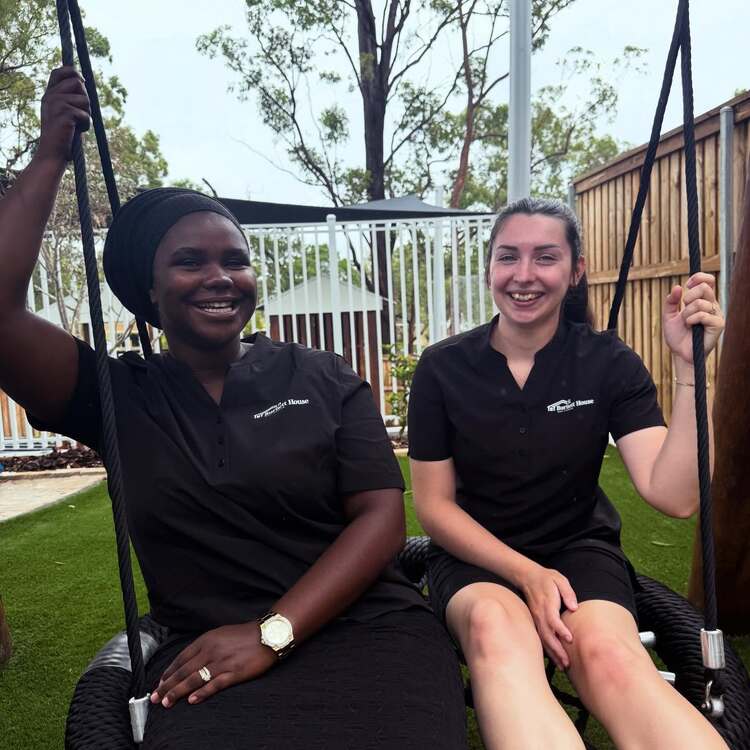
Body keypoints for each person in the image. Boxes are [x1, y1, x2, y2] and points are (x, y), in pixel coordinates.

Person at [0, 67, 467, 750]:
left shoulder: (323, 375)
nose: (220, 277)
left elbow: (380, 519)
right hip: (206, 656)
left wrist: (271, 633)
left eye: (236, 260)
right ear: (149, 290)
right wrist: (49, 155)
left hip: (368, 631)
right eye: (190, 261)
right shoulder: (114, 394)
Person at [408, 197, 729, 749]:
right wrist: (526, 574)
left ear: (576, 270)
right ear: (489, 268)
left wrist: (688, 367)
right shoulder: (442, 368)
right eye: (508, 256)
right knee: (497, 633)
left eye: (545, 257)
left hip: (578, 546)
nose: (524, 275)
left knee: (608, 655)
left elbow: (675, 496)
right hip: (473, 553)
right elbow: (434, 507)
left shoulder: (607, 362)